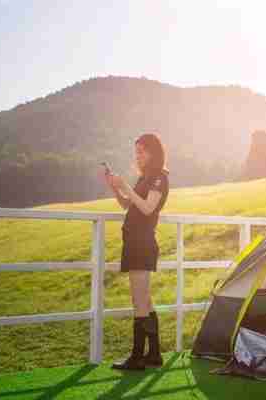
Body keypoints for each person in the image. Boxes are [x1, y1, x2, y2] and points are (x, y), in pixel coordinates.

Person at [103, 133, 170, 370]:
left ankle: (137, 357)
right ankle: (153, 355)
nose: (137, 156)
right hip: (134, 242)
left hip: (141, 243)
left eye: (141, 151)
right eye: (136, 152)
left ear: (153, 152)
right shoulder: (146, 178)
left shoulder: (159, 178)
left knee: (139, 301)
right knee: (145, 300)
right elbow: (128, 205)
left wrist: (126, 186)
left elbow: (148, 208)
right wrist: (115, 189)